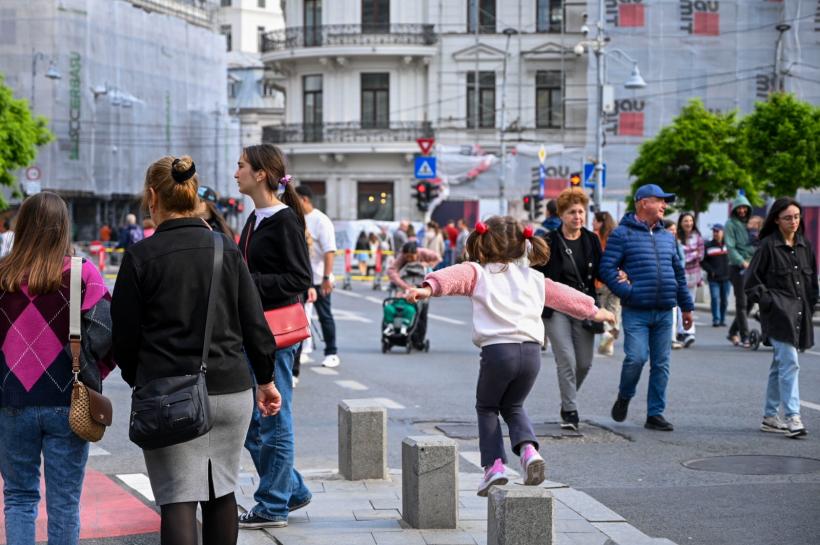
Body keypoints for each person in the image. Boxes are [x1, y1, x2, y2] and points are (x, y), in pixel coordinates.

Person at [111, 156, 281, 545]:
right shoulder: (225, 248)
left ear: (152, 197)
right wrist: (266, 381)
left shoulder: (141, 257)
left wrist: (141, 377)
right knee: (222, 491)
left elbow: (123, 337)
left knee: (177, 498)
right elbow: (255, 325)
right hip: (231, 390)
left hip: (168, 393)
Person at [405, 216, 613, 496]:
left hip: (499, 352)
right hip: (531, 353)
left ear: (483, 243)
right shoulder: (535, 278)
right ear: (522, 245)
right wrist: (595, 310)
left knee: (487, 407)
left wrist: (426, 288)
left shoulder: (478, 272)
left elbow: (451, 277)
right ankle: (529, 452)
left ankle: (494, 467)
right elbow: (566, 297)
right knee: (513, 406)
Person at [0, 192, 114, 545]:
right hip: (70, 400)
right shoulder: (83, 274)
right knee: (64, 505)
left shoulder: (2, 276)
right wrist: (93, 376)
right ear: (63, 227)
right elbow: (109, 335)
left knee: (19, 497)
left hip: (11, 400)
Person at [235, 144, 313, 529]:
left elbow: (300, 279)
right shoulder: (255, 219)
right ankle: (290, 489)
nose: (236, 173)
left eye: (242, 166)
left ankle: (273, 504)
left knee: (272, 418)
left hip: (276, 332)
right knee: (250, 422)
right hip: (253, 330)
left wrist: (249, 283)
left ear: (261, 173)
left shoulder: (283, 221)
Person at [599, 184, 694, 432]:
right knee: (636, 357)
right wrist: (628, 292)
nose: (664, 205)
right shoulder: (622, 234)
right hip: (636, 310)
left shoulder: (666, 236)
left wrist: (686, 307)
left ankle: (655, 413)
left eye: (665, 201)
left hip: (665, 310)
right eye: (659, 200)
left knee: (661, 364)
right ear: (642, 203)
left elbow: (678, 273)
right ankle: (625, 395)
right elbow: (606, 268)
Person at [745, 197, 817, 438]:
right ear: (776, 219)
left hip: (798, 313)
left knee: (780, 364)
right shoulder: (766, 246)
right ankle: (793, 416)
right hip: (778, 315)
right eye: (788, 217)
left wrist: (812, 305)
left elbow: (811, 283)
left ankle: (769, 416)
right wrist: (769, 302)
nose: (794, 221)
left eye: (797, 216)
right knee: (790, 362)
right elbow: (751, 283)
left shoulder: (805, 246)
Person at [533, 188, 602, 431]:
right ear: (561, 214)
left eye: (581, 211)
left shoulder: (591, 240)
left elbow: (602, 271)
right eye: (572, 212)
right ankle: (570, 410)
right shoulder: (550, 241)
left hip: (583, 305)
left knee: (584, 363)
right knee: (566, 359)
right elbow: (537, 274)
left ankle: (566, 400)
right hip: (556, 307)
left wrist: (620, 277)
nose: (578, 216)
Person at [295, 185, 340, 369]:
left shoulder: (321, 220)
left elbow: (329, 251)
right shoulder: (296, 218)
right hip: (301, 278)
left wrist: (327, 278)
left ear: (304, 199)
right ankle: (303, 350)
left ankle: (331, 352)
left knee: (324, 315)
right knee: (299, 316)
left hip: (320, 277)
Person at [387, 242, 441, 349]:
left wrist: (429, 264)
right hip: (406, 283)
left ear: (416, 253)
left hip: (422, 284)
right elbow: (391, 270)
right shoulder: (402, 257)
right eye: (406, 257)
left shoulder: (424, 253)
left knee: (422, 314)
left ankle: (419, 340)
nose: (409, 259)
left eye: (411, 257)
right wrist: (404, 286)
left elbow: (438, 258)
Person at [725, 195, 756, 347]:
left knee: (751, 302)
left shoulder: (751, 223)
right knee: (742, 303)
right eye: (739, 208)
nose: (742, 210)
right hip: (737, 268)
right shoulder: (730, 224)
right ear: (735, 209)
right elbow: (730, 247)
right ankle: (745, 336)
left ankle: (732, 332)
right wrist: (742, 262)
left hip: (753, 266)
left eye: (745, 208)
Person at [593, 211, 620, 356]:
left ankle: (606, 332)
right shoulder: (616, 236)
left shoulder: (595, 237)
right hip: (616, 278)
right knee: (614, 308)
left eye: (594, 221)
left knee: (601, 309)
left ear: (600, 222)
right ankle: (610, 336)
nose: (592, 223)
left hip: (600, 279)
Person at [676, 212, 704, 347]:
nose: (688, 223)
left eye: (690, 221)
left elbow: (701, 254)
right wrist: (692, 253)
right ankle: (681, 331)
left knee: (689, 304)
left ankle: (689, 332)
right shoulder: (676, 237)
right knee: (678, 305)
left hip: (693, 275)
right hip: (679, 276)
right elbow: (677, 256)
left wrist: (686, 255)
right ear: (681, 223)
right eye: (686, 221)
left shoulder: (697, 237)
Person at [701, 224, 731, 327]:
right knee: (714, 297)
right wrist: (711, 271)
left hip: (727, 278)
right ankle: (716, 320)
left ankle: (722, 319)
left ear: (723, 232)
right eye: (714, 231)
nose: (715, 233)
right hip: (713, 278)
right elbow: (703, 261)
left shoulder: (729, 244)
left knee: (724, 300)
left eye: (717, 231)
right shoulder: (708, 245)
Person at [665, 220, 686, 350]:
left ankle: (672, 338)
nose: (673, 232)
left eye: (675, 230)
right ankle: (669, 338)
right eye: (671, 229)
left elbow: (681, 259)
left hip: (673, 280)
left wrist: (677, 271)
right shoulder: (663, 242)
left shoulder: (675, 243)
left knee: (673, 311)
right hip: (666, 280)